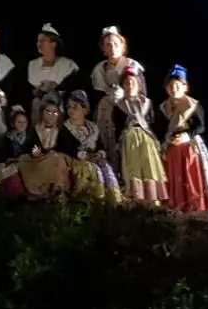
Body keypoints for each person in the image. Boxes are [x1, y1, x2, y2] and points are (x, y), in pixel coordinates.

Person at [160, 65, 208, 223]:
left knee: (192, 177)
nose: (173, 88)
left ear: (185, 87)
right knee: (174, 177)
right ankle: (176, 210)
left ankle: (198, 212)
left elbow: (200, 126)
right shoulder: (164, 107)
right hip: (172, 148)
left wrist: (187, 135)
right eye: (170, 86)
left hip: (189, 146)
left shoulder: (192, 105)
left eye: (177, 85)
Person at [89, 26, 145, 172]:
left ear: (122, 46)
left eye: (115, 44)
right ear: (104, 49)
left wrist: (125, 95)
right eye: (108, 45)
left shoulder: (131, 66)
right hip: (107, 111)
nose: (112, 48)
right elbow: (98, 95)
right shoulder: (100, 70)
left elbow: (142, 95)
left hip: (129, 111)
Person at [111, 65, 167, 204]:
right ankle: (137, 202)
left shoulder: (148, 104)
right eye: (126, 83)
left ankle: (153, 203)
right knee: (133, 171)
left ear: (139, 84)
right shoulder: (119, 107)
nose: (130, 85)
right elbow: (117, 128)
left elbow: (155, 125)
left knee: (149, 170)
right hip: (129, 142)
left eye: (132, 82)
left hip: (147, 142)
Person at [51, 89, 121, 199]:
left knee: (105, 167)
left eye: (75, 107)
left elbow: (100, 146)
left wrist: (99, 154)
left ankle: (112, 200)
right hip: (75, 160)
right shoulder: (65, 128)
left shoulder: (93, 128)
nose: (71, 110)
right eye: (69, 107)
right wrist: (85, 156)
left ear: (84, 109)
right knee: (90, 169)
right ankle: (91, 199)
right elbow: (65, 148)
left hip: (93, 158)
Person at [23, 23, 82, 116]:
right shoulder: (32, 64)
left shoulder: (68, 65)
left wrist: (56, 88)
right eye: (38, 41)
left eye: (43, 40)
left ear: (53, 44)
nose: (39, 44)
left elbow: (73, 90)